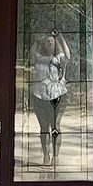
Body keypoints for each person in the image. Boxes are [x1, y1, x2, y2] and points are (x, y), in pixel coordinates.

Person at [28, 33, 71, 165]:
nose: (49, 43)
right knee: (44, 128)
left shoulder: (59, 58)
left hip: (57, 96)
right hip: (39, 95)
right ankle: (46, 155)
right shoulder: (38, 58)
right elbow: (31, 56)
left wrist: (60, 38)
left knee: (55, 126)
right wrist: (36, 42)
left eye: (52, 41)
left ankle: (56, 156)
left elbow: (68, 56)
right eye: (47, 42)